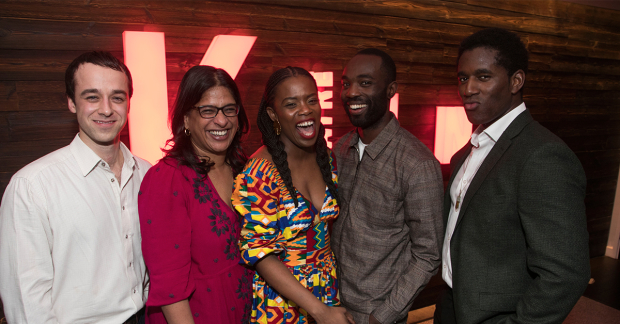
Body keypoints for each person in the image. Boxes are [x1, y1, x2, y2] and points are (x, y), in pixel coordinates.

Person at [434, 28, 590, 324]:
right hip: (452, 304)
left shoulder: (542, 155)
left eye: (483, 77)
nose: (468, 89)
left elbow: (565, 274)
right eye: (463, 78)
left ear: (516, 81)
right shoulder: (467, 152)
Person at [0, 51, 150, 323]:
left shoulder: (147, 173)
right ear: (71, 103)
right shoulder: (32, 186)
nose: (106, 108)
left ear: (129, 103)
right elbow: (26, 302)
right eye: (92, 97)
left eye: (117, 97)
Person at [232, 67, 353, 324]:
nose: (305, 109)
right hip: (282, 306)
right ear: (273, 114)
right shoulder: (259, 172)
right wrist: (320, 311)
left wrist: (327, 307)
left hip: (327, 293)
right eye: (291, 103)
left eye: (311, 100)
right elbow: (260, 252)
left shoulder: (326, 158)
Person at [332, 48, 444, 324]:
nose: (351, 92)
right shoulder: (341, 148)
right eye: (346, 84)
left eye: (366, 83)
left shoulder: (417, 164)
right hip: (330, 305)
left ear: (391, 89)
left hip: (373, 313)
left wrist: (382, 316)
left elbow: (428, 254)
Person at [138, 65, 253, 323]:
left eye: (229, 109)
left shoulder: (243, 169)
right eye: (207, 111)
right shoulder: (167, 179)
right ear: (186, 119)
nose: (221, 120)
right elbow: (170, 287)